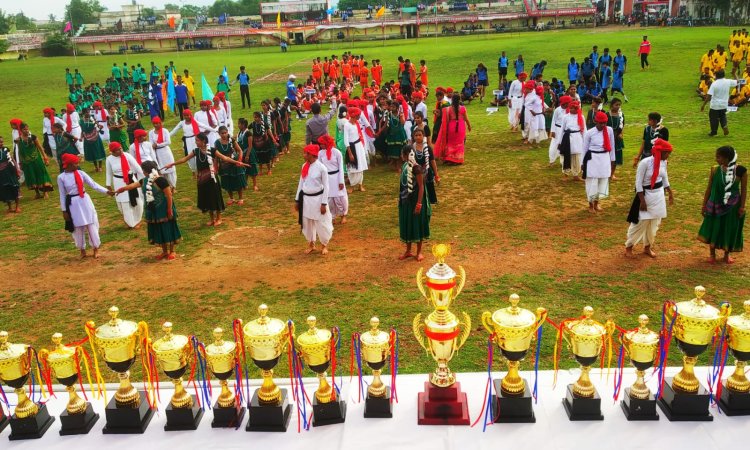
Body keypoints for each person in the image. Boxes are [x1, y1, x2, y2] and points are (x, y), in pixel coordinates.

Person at [166, 133, 243, 226]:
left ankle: (219, 218)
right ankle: (212, 219)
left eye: (197, 140)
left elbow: (224, 158)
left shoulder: (212, 150)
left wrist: (237, 162)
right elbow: (184, 159)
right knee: (206, 198)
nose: (195, 142)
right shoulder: (196, 151)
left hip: (212, 179)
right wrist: (172, 164)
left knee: (215, 197)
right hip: (202, 179)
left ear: (203, 141)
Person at [116, 160, 181, 260]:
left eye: (143, 170)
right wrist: (122, 189)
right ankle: (164, 251)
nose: (143, 172)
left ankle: (172, 251)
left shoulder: (161, 180)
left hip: (164, 208)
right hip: (153, 210)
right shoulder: (145, 180)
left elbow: (169, 195)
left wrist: (169, 210)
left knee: (168, 228)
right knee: (159, 229)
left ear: (146, 171)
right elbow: (134, 185)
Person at [58, 153, 114, 258]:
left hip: (84, 200)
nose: (77, 165)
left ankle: (95, 248)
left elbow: (93, 184)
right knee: (77, 227)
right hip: (73, 203)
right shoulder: (61, 177)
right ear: (69, 165)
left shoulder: (81, 173)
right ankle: (82, 250)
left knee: (91, 224)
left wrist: (107, 191)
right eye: (75, 163)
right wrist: (64, 210)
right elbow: (62, 195)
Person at [625, 138, 674, 258]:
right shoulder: (645, 163)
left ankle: (647, 247)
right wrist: (642, 200)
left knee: (654, 222)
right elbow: (638, 183)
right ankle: (629, 247)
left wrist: (670, 192)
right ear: (659, 152)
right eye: (666, 153)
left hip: (658, 195)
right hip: (646, 195)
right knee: (641, 222)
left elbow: (664, 177)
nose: (668, 155)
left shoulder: (664, 162)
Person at [698, 146, 747, 263]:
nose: (716, 159)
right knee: (714, 227)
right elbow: (709, 188)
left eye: (719, 157)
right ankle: (712, 254)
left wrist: (742, 207)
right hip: (715, 204)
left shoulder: (741, 171)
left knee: (729, 227)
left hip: (733, 206)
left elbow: (744, 190)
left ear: (727, 158)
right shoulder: (715, 170)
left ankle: (727, 254)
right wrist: (704, 205)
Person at [295, 144, 333, 255]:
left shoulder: (322, 168)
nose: (303, 155)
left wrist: (324, 203)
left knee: (321, 222)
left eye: (305, 153)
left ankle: (324, 245)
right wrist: (297, 200)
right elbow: (301, 184)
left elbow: (326, 187)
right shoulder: (304, 166)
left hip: (318, 200)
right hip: (306, 200)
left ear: (311, 154)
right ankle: (311, 244)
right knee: (307, 223)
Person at [399, 145, 431, 262]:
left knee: (417, 225)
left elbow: (421, 187)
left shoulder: (417, 168)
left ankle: (419, 252)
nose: (401, 156)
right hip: (406, 201)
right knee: (408, 224)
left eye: (403, 154)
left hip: (416, 201)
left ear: (407, 155)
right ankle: (408, 251)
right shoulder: (404, 166)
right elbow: (403, 184)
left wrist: (419, 204)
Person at [582, 111, 615, 213]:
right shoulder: (589, 133)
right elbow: (584, 148)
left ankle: (597, 203)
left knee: (602, 181)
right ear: (596, 121)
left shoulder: (609, 130)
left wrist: (612, 160)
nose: (603, 125)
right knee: (592, 182)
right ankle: (590, 204)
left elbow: (612, 146)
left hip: (604, 157)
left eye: (604, 123)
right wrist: (582, 163)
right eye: (601, 123)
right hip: (592, 158)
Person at [106, 141, 144, 229]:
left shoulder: (127, 155)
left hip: (131, 180)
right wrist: (108, 185)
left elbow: (137, 167)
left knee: (137, 200)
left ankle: (137, 220)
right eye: (118, 150)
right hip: (118, 182)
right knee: (124, 203)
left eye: (121, 148)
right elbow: (108, 173)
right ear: (113, 152)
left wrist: (144, 178)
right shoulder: (109, 159)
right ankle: (129, 222)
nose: (120, 150)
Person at [317, 135, 348, 224]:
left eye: (322, 144)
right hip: (327, 178)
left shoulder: (337, 152)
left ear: (326, 143)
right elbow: (320, 167)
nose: (320, 145)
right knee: (329, 199)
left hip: (337, 176)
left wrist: (341, 181)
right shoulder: (320, 153)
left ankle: (343, 215)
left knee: (339, 198)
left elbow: (341, 167)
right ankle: (332, 216)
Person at [18, 123, 54, 198]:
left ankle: (45, 192)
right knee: (32, 176)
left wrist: (45, 157)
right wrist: (20, 162)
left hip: (36, 159)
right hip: (27, 162)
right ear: (21, 130)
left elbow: (40, 148)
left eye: (27, 129)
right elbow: (20, 151)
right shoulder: (19, 140)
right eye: (24, 129)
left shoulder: (33, 137)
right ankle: (37, 193)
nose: (27, 131)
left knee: (40, 174)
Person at [434, 93, 471, 165]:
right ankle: (457, 159)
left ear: (452, 100)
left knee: (450, 143)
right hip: (460, 126)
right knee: (460, 143)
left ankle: (449, 158)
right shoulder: (463, 108)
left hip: (451, 127)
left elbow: (446, 119)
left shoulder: (449, 109)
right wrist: (469, 126)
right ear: (459, 99)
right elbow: (466, 119)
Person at [215, 126, 246, 205]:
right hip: (224, 166)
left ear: (227, 132)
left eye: (225, 133)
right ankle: (231, 198)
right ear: (219, 134)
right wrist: (215, 167)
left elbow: (240, 151)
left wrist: (239, 160)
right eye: (222, 133)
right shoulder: (217, 143)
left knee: (238, 181)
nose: (224, 135)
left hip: (234, 164)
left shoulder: (232, 141)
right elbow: (215, 157)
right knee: (227, 181)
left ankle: (241, 198)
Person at [701, 69, 738, 137]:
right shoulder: (728, 81)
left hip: (715, 105)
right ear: (724, 75)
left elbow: (709, 96)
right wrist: (734, 74)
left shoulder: (714, 84)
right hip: (724, 104)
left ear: (716, 76)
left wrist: (703, 105)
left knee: (713, 118)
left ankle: (714, 132)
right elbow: (738, 82)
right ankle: (724, 125)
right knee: (723, 116)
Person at [559, 100, 585, 181]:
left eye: (574, 108)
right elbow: (562, 129)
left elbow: (584, 130)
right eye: (571, 108)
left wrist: (585, 141)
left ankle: (576, 174)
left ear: (577, 108)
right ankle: (566, 174)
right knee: (566, 156)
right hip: (567, 138)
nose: (572, 109)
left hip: (577, 138)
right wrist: (559, 142)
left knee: (576, 157)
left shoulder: (581, 117)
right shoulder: (565, 117)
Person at [344, 107, 368, 192]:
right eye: (358, 115)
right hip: (351, 147)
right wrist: (350, 153)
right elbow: (346, 140)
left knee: (360, 166)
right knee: (352, 168)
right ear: (354, 115)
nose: (359, 116)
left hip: (359, 147)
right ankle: (352, 186)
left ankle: (360, 185)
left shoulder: (357, 123)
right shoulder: (347, 125)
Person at [149, 117, 176, 188]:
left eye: (157, 123)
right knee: (161, 169)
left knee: (170, 168)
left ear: (160, 123)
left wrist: (158, 145)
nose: (155, 125)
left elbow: (168, 142)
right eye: (154, 124)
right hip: (157, 152)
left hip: (165, 151)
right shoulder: (151, 132)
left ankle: (173, 186)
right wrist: (154, 146)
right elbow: (151, 143)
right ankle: (166, 186)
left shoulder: (165, 131)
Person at [0, 137, 21, 213]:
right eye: (0, 142)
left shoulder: (6, 149)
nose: (1, 143)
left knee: (14, 187)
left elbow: (12, 160)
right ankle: (10, 207)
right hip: (2, 174)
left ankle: (17, 206)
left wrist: (17, 169)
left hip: (10, 171)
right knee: (5, 189)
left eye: (2, 142)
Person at [549, 95, 570, 167]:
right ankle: (551, 161)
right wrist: (553, 131)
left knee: (564, 145)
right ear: (564, 103)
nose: (568, 104)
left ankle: (563, 162)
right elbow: (553, 120)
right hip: (557, 129)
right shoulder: (557, 110)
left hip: (565, 130)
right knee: (554, 144)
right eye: (567, 103)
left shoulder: (569, 110)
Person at [607, 98, 625, 180]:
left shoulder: (621, 115)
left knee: (616, 156)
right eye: (616, 105)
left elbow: (622, 126)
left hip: (617, 138)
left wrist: (621, 134)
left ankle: (612, 174)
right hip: (608, 137)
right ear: (611, 105)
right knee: (607, 156)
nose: (618, 106)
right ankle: (606, 172)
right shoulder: (607, 114)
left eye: (619, 105)